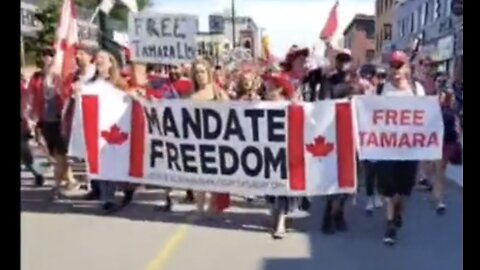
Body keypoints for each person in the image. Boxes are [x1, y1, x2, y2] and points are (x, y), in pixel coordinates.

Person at [376, 51, 426, 246]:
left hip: (409, 147)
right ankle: (390, 225)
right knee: (389, 189)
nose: (395, 69)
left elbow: (424, 115)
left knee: (403, 190)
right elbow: (372, 114)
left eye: (399, 65)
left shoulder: (416, 89)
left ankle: (397, 211)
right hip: (387, 147)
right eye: (392, 65)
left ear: (407, 68)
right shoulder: (383, 88)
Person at [29, 47, 78, 198]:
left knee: (61, 153)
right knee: (54, 154)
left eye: (51, 55)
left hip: (61, 120)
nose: (48, 58)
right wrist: (31, 116)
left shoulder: (62, 77)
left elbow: (68, 94)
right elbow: (31, 97)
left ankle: (56, 185)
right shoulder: (37, 77)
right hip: (44, 119)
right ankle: (71, 180)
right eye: (45, 55)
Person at [318, 48, 355, 234]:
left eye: (346, 60)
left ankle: (339, 212)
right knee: (333, 177)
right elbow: (323, 103)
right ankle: (328, 215)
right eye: (340, 60)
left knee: (349, 179)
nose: (343, 64)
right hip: (333, 133)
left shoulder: (357, 83)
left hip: (351, 136)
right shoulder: (329, 81)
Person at [88, 50, 129, 213]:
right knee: (100, 164)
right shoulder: (90, 82)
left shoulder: (119, 82)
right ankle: (106, 197)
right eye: (97, 59)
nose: (98, 61)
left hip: (114, 127)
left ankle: (115, 194)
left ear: (111, 63)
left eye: (102, 59)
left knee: (112, 163)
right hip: (96, 128)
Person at [189, 58, 230, 216]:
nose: (200, 75)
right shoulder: (191, 96)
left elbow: (231, 114)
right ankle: (199, 207)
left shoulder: (219, 93)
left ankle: (213, 206)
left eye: (202, 71)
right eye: (196, 72)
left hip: (216, 140)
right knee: (197, 176)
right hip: (196, 139)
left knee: (214, 175)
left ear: (208, 73)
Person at [62, 43, 98, 199]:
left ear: (90, 57)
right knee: (84, 154)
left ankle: (100, 185)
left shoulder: (97, 75)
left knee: (97, 153)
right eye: (77, 54)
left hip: (96, 119)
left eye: (82, 54)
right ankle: (92, 185)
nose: (77, 57)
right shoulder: (74, 76)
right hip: (77, 118)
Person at [431, 90, 461, 215]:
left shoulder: (454, 112)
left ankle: (437, 193)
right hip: (439, 143)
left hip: (449, 143)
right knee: (439, 172)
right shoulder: (435, 112)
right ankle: (440, 200)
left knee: (441, 171)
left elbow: (458, 127)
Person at [21, 74, 44, 186]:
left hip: (22, 125)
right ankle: (38, 173)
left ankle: (38, 173)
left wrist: (30, 122)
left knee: (26, 155)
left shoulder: (23, 89)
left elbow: (27, 106)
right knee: (25, 155)